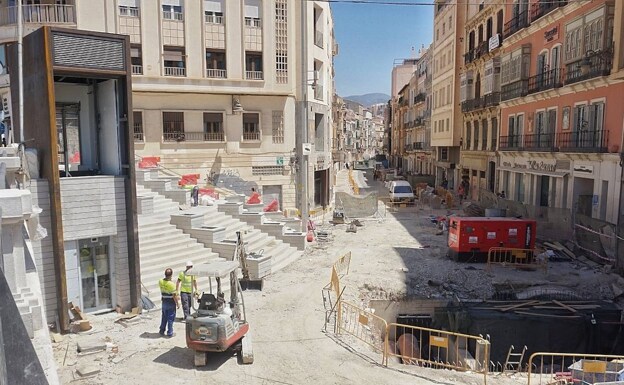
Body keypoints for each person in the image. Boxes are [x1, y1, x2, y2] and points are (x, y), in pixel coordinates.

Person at [159, 268, 179, 337]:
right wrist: (177, 303)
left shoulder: (160, 281)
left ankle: (162, 330)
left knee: (164, 317)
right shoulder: (172, 284)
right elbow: (174, 296)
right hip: (170, 302)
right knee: (170, 318)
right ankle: (170, 332)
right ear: (171, 275)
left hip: (164, 301)